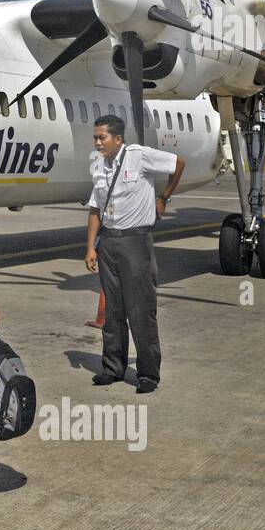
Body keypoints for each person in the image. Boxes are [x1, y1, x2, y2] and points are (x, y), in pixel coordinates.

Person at [84, 115, 185, 394]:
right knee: (113, 310)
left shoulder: (139, 157)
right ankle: (113, 368)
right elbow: (95, 210)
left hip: (135, 242)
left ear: (117, 138)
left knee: (141, 311)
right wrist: (91, 246)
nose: (97, 142)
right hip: (109, 243)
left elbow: (178, 163)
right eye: (95, 137)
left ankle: (148, 374)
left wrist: (163, 198)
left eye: (102, 137)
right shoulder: (100, 168)